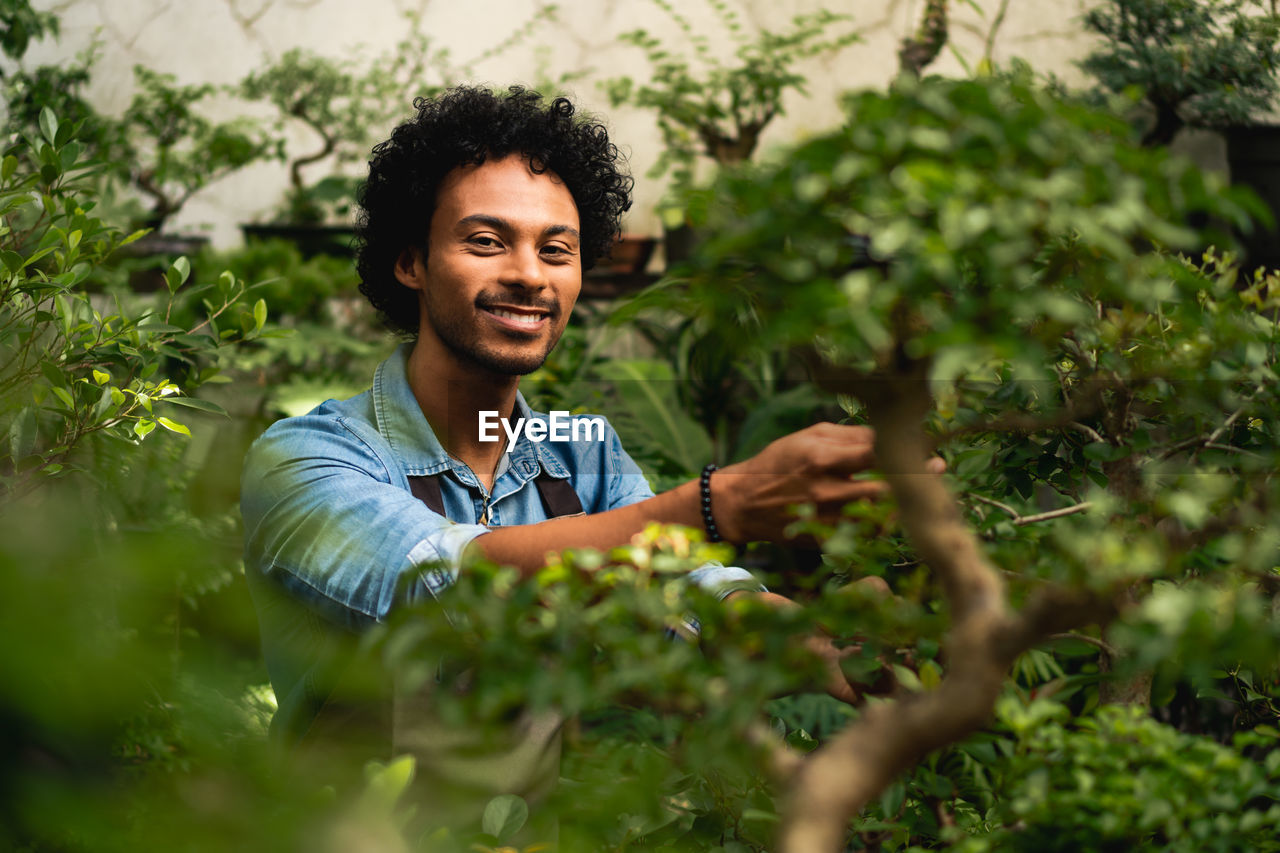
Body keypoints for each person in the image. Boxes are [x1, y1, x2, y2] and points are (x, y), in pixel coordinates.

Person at [240, 85, 914, 834]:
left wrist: (798, 634)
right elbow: (437, 581)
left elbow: (686, 589)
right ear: (411, 262)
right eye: (487, 241)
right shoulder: (307, 457)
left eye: (555, 249)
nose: (531, 274)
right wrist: (715, 502)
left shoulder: (579, 454)